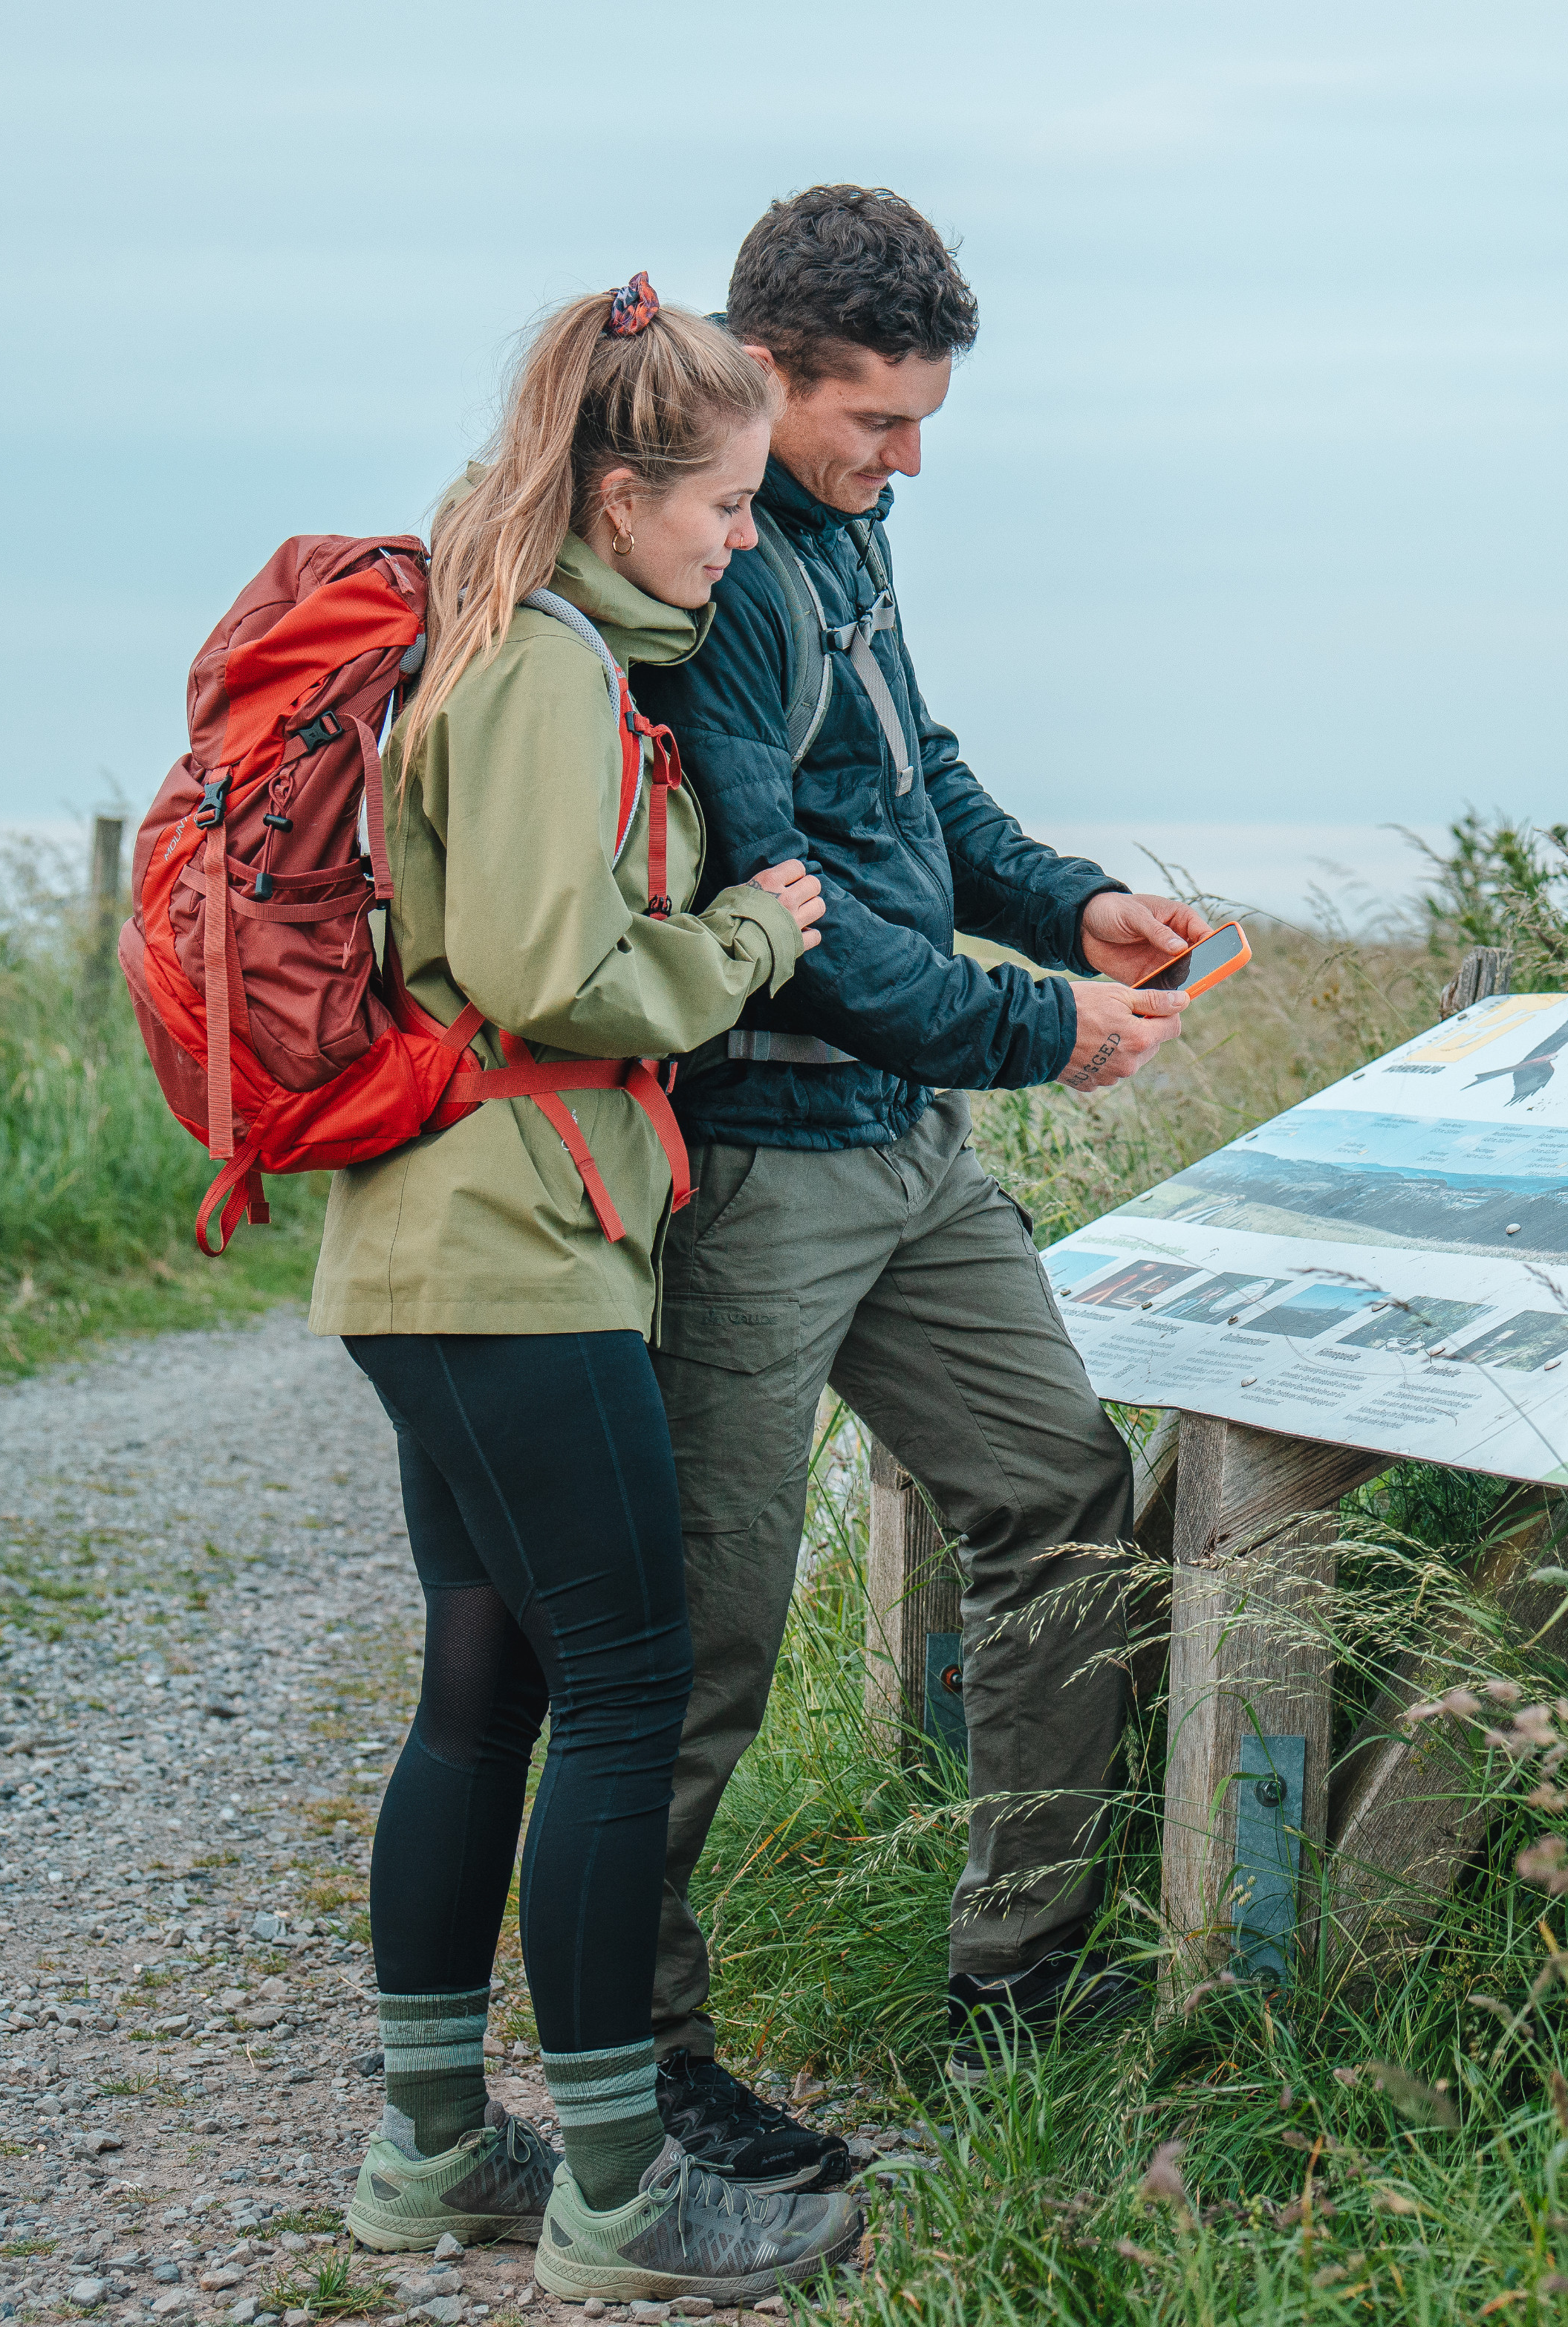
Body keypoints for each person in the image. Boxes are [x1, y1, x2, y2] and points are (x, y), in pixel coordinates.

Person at [621, 184, 1216, 2162]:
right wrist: (1044, 1026)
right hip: (756, 1163)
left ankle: (1019, 1984)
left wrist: (1074, 907)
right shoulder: (711, 572)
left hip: (910, 1150)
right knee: (704, 1625)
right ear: (763, 375)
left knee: (1058, 1492)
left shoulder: (849, 532)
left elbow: (915, 784)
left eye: (923, 419)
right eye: (876, 419)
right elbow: (775, 902)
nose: (909, 459)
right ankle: (651, 2075)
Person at [316, 273, 866, 2302]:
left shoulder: (496, 637)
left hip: (432, 1247)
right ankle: (625, 2197)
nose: (739, 536)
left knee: (485, 1690)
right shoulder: (546, 670)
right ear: (622, 497)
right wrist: (751, 938)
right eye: (720, 503)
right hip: (516, 1254)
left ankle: (434, 2152)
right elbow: (554, 969)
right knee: (629, 1691)